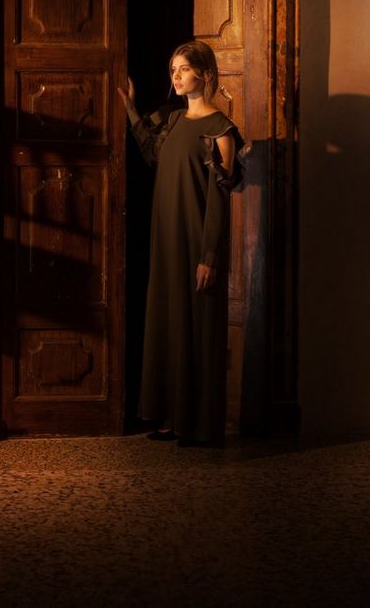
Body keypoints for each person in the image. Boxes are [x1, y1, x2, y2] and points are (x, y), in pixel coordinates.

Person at [118, 40, 244, 447]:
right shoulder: (171, 121)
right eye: (172, 68)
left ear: (205, 74)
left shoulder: (221, 129)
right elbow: (152, 153)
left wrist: (209, 255)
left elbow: (219, 199)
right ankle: (171, 417)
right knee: (168, 323)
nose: (176, 75)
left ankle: (200, 424)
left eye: (184, 68)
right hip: (165, 237)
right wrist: (132, 110)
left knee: (198, 327)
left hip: (195, 239)